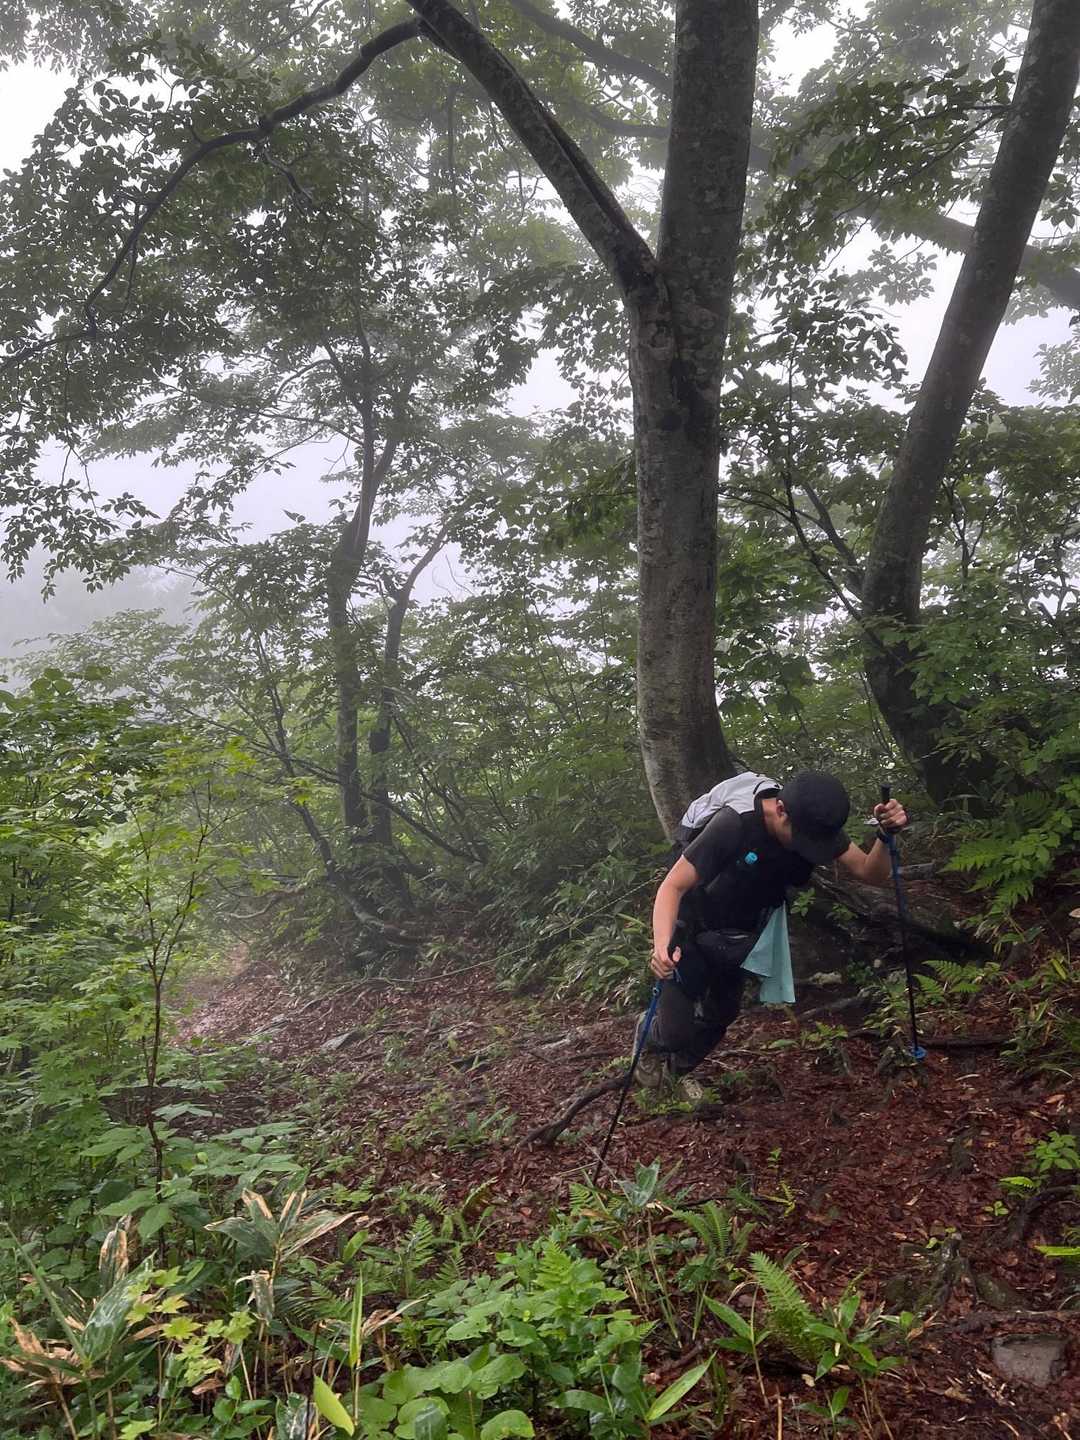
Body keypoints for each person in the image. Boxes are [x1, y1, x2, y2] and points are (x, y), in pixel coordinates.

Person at [637, 770, 908, 1094]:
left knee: (722, 1013)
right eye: (801, 841)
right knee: (674, 1032)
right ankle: (649, 1038)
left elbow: (870, 872)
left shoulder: (814, 824)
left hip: (740, 931)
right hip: (691, 923)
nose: (806, 849)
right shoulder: (733, 825)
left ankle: (672, 1073)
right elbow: (672, 886)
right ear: (780, 810)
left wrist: (885, 835)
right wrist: (662, 945)